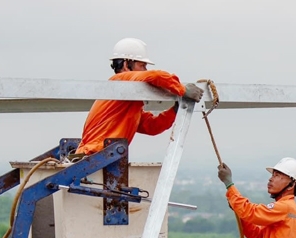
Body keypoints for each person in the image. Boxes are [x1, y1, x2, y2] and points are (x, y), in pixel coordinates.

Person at [74, 38, 204, 157]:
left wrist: (175, 109)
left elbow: (151, 126)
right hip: (94, 154)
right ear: (126, 65)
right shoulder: (120, 80)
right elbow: (156, 76)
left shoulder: (126, 103)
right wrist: (183, 89)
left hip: (97, 156)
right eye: (142, 66)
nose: (145, 70)